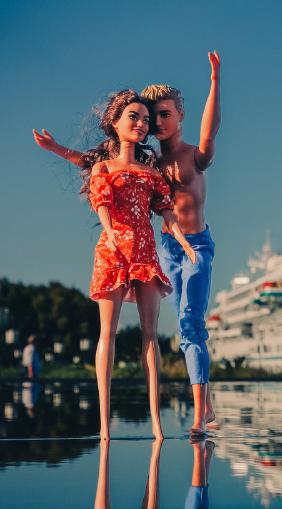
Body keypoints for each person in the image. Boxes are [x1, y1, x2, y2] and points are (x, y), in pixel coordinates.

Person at [33, 51, 222, 437]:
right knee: (162, 329)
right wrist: (56, 150)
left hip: (185, 245)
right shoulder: (138, 165)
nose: (152, 123)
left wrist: (216, 81)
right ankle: (193, 405)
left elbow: (207, 135)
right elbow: (94, 164)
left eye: (158, 116)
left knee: (185, 324)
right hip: (153, 249)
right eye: (149, 118)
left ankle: (192, 414)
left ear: (178, 115)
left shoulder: (181, 161)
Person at [81, 89, 195, 440]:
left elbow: (165, 211)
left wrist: (184, 242)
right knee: (108, 333)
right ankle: (103, 423)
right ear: (114, 123)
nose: (142, 124)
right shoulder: (103, 168)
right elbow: (101, 202)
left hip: (145, 252)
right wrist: (110, 231)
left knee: (151, 334)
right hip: (113, 250)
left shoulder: (151, 173)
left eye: (145, 119)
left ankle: (157, 422)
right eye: (134, 117)